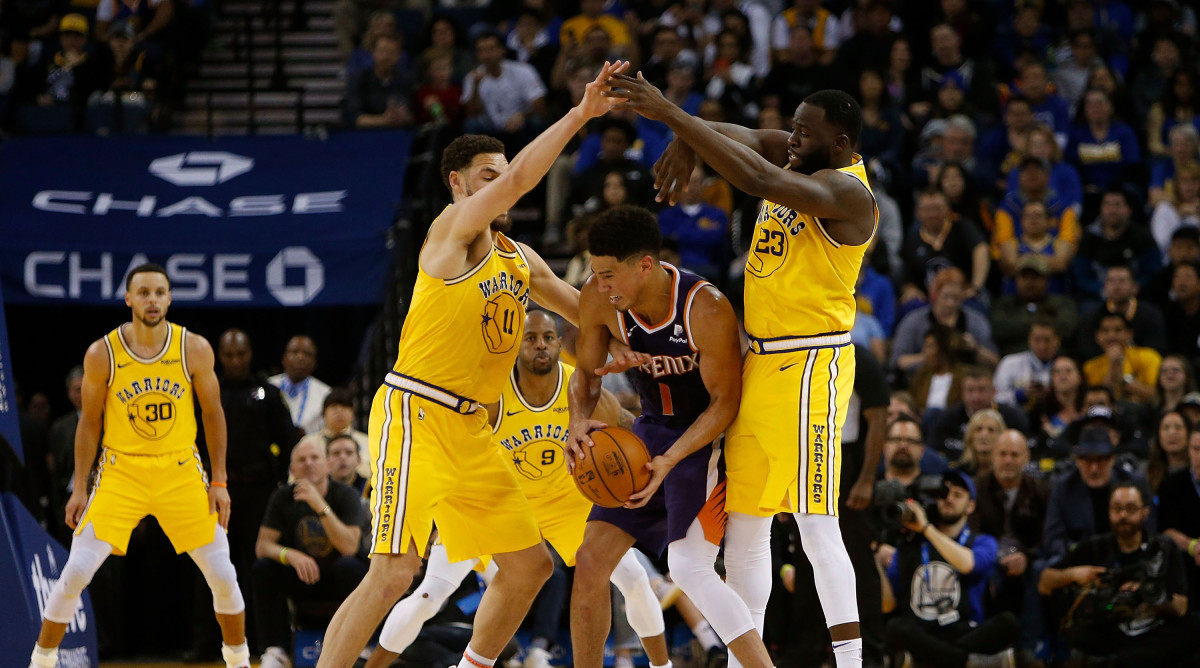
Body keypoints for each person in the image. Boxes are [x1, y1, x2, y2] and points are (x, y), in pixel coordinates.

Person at [316, 61, 635, 668]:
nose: (502, 183)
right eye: (487, 176)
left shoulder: (519, 258)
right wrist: (580, 113)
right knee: (393, 573)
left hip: (472, 431)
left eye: (502, 171)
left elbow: (582, 316)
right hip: (417, 413)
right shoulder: (448, 233)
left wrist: (648, 342)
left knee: (529, 566)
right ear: (459, 186)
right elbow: (517, 182)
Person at [608, 82, 876, 666]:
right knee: (747, 528)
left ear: (841, 143)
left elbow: (760, 179)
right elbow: (748, 139)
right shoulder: (805, 152)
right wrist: (688, 137)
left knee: (814, 522)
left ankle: (852, 662)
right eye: (795, 127)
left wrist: (669, 114)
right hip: (760, 359)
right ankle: (745, 658)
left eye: (805, 132)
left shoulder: (847, 193)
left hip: (810, 363)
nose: (793, 137)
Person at [365, 309, 668, 668]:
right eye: (530, 338)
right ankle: (374, 663)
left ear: (559, 344)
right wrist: (436, 517)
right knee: (432, 593)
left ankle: (662, 666)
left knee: (633, 578)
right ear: (514, 347)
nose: (540, 345)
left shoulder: (583, 389)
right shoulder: (490, 395)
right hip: (500, 502)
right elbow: (452, 456)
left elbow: (628, 429)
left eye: (547, 337)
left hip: (563, 497)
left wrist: (667, 453)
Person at [566, 205, 767, 668]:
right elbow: (587, 376)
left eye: (610, 274)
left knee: (689, 567)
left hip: (704, 441)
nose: (601, 285)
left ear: (645, 265)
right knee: (591, 560)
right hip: (648, 432)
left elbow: (724, 404)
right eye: (596, 273)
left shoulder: (705, 306)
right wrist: (578, 420)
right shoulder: (598, 298)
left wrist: (672, 460)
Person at [26, 263, 250, 668]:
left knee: (222, 573)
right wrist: (79, 487)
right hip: (120, 471)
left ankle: (238, 660)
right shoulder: (103, 352)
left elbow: (213, 414)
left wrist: (219, 479)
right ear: (129, 298)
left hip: (180, 470)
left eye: (160, 292)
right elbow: (89, 422)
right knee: (76, 570)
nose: (152, 300)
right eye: (144, 292)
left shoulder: (193, 347)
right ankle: (40, 661)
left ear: (169, 298)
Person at [788, 344, 889, 668]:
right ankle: (809, 650)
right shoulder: (794, 352)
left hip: (848, 464)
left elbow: (879, 418)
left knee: (857, 558)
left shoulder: (860, 356)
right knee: (805, 559)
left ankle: (868, 652)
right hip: (804, 460)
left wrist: (867, 479)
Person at [1038, 482, 1200, 664]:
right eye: (1117, 509)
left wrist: (1148, 596)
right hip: (1108, 628)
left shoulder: (1164, 547)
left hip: (1154, 629)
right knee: (1078, 632)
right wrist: (1074, 574)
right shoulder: (1094, 547)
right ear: (1109, 512)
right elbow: (1045, 581)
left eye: (1131, 509)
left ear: (1144, 513)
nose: (1123, 516)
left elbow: (1181, 607)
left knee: (1194, 627)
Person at [880, 469, 1020, 668]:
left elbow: (967, 564)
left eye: (957, 495)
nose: (949, 499)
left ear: (970, 506)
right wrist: (873, 557)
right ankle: (965, 661)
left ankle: (941, 659)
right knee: (894, 627)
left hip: (965, 630)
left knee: (1009, 623)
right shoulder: (911, 545)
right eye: (943, 495)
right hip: (923, 632)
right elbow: (887, 604)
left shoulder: (982, 541)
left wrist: (927, 529)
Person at [253, 440, 368, 668]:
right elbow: (263, 546)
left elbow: (349, 547)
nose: (308, 464)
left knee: (353, 567)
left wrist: (319, 506)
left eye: (315, 458)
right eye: (301, 460)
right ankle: (276, 650)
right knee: (263, 569)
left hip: (336, 577)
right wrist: (290, 555)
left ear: (327, 464)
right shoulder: (281, 497)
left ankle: (359, 645)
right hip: (301, 575)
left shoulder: (346, 495)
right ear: (292, 469)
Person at [971, 430, 1049, 656]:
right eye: (1002, 454)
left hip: (1028, 560)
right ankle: (982, 648)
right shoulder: (976, 489)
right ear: (993, 456)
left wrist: (1027, 555)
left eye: (1015, 455)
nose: (1008, 460)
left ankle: (1029, 649)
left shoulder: (1042, 491)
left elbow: (1048, 536)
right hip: (988, 558)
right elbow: (971, 534)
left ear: (1026, 458)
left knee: (1039, 571)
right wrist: (992, 556)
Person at [1040, 427, 1148, 566]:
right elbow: (1052, 538)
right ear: (1077, 461)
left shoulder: (1134, 484)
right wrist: (1081, 553)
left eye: (1100, 460)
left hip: (1126, 554)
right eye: (1087, 460)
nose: (1094, 468)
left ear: (1112, 459)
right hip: (1079, 558)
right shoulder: (1063, 488)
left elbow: (1147, 527)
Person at [927, 368, 1029, 462]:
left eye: (981, 390)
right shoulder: (947, 418)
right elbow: (933, 452)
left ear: (993, 391)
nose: (976, 397)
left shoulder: (1013, 417)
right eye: (970, 390)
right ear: (962, 392)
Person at [989, 257, 1077, 357]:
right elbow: (999, 330)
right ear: (1016, 280)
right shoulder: (1003, 304)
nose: (1029, 282)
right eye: (1024, 277)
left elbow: (1067, 329)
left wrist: (1018, 323)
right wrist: (1044, 322)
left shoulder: (1062, 303)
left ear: (1047, 280)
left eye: (1035, 277)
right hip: (1012, 359)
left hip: (1055, 361)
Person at [1076, 264, 1168, 360]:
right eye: (1111, 281)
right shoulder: (1091, 317)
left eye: (1122, 281)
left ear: (1134, 287)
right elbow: (1087, 352)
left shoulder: (1151, 315)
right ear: (1104, 287)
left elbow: (1157, 349)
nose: (1116, 286)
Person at [1157, 426, 1200, 611]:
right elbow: (1166, 530)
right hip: (1185, 569)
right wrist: (1193, 547)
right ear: (1188, 451)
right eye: (1197, 449)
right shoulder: (1172, 484)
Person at [1081, 312, 1163, 405]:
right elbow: (1099, 401)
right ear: (1097, 336)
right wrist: (1113, 365)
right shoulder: (1090, 367)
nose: (1111, 336)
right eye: (1105, 331)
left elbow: (1157, 396)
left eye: (1118, 330)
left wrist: (1124, 382)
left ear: (1130, 334)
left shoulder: (1149, 357)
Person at [295, 388, 369, 481]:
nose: (339, 411)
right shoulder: (307, 442)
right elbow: (295, 477)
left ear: (353, 413)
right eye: (334, 407)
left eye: (345, 407)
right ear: (323, 413)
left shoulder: (368, 442)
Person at [46, 366, 84, 544]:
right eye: (77, 389)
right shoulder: (60, 428)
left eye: (86, 387)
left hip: (105, 499)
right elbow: (54, 471)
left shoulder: (112, 419)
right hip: (69, 500)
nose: (82, 393)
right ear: (69, 393)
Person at [993, 317, 1060, 409]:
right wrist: (1021, 395)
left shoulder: (1066, 367)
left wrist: (1052, 394)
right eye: (1037, 339)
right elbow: (995, 397)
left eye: (1047, 340)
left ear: (1057, 340)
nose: (1042, 346)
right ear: (1029, 339)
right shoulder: (1010, 363)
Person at [269, 336, 331, 436]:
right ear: (284, 358)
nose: (300, 357)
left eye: (307, 354)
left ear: (314, 362)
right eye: (294, 352)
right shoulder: (268, 387)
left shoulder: (326, 394)